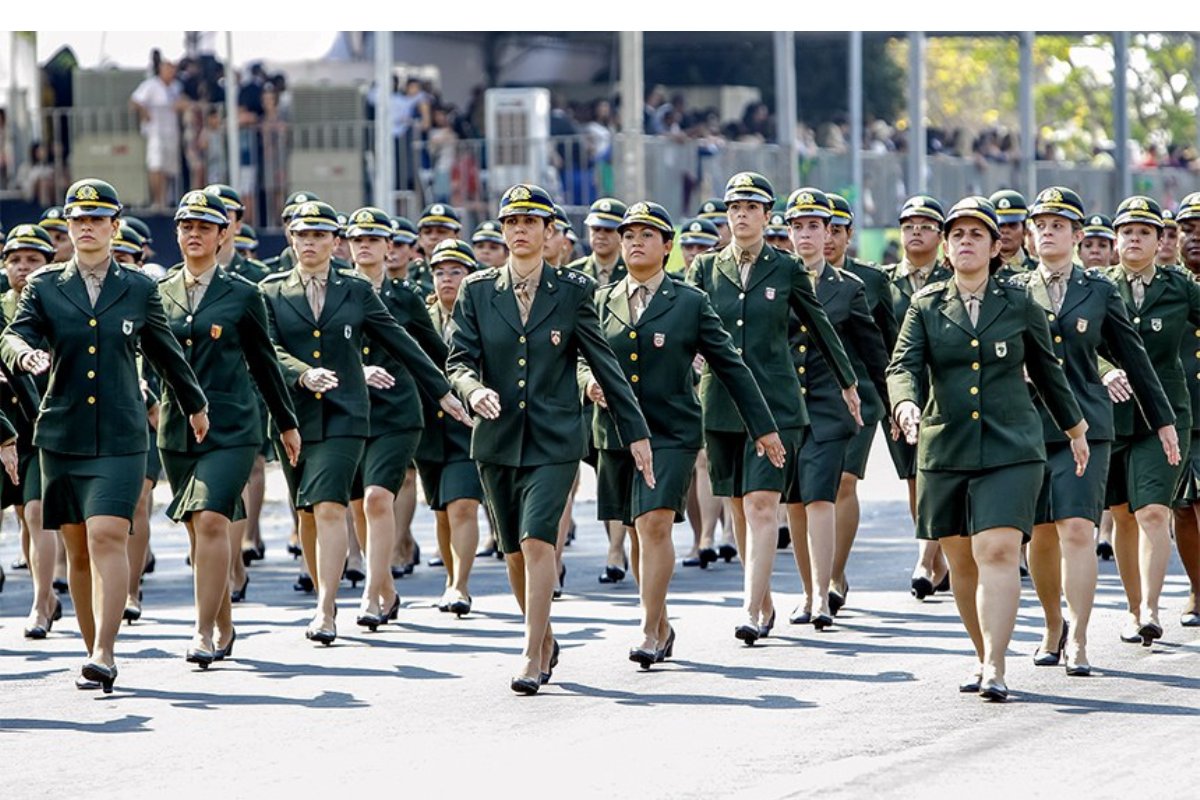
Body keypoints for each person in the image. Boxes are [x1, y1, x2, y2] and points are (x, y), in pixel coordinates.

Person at [0, 178, 210, 694]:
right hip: (62, 433)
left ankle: (105, 651)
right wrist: (23, 356)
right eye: (78, 220)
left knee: (105, 534)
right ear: (68, 230)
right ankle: (93, 646)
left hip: (121, 431)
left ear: (115, 228)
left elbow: (163, 350)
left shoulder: (138, 288)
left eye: (97, 219)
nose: (87, 227)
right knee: (75, 548)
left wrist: (193, 402)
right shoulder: (46, 285)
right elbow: (13, 332)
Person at [446, 183, 652, 694]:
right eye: (511, 222)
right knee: (514, 551)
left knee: (539, 540)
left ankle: (529, 655)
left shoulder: (573, 291)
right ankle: (545, 637)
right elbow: (459, 361)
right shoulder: (476, 291)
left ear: (549, 233)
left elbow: (602, 362)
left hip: (556, 439)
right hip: (496, 439)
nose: (519, 231)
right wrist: (472, 392)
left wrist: (635, 434)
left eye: (530, 223)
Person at [887, 195, 1088, 702]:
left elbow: (1047, 371)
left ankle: (997, 665)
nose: (966, 242)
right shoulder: (925, 304)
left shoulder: (1019, 302)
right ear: (947, 247)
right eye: (957, 235)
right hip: (945, 446)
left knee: (995, 548)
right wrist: (906, 404)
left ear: (997, 245)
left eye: (977, 234)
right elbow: (902, 366)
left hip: (1011, 445)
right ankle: (982, 654)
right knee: (960, 560)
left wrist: (1075, 430)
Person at [259, 200, 468, 644]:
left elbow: (404, 341)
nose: (310, 243)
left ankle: (327, 608)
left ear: (334, 243)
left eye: (320, 235)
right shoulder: (273, 290)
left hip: (350, 415)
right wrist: (301, 373)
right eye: (302, 235)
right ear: (291, 241)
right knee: (309, 515)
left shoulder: (355, 290)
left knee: (336, 505)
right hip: (296, 415)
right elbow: (266, 349)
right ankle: (368, 590)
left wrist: (446, 391)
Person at [585, 200, 783, 667]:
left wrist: (763, 428)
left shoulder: (689, 301)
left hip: (670, 431)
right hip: (615, 432)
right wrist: (586, 380)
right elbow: (579, 355)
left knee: (654, 522)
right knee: (636, 530)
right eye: (628, 234)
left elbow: (731, 367)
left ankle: (647, 630)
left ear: (667, 246)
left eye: (646, 235)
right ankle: (661, 622)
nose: (634, 242)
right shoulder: (600, 298)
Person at [688, 172, 859, 645]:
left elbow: (820, 326)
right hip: (721, 404)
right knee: (740, 508)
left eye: (751, 208)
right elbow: (684, 324)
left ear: (767, 217)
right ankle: (761, 598)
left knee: (764, 504)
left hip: (777, 405)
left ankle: (748, 608)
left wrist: (848, 382)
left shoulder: (785, 269)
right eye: (734, 208)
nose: (741, 215)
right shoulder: (705, 270)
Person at [1016, 187, 1174, 676]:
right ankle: (1051, 626)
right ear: (1028, 236)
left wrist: (1162, 419)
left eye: (1058, 225)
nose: (1048, 232)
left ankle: (1081, 639)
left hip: (1088, 425)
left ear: (1078, 236)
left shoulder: (1099, 290)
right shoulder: (1014, 289)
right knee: (1039, 535)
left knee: (1078, 530)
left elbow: (1134, 357)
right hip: (1028, 425)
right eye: (1040, 225)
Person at [158, 189, 301, 667]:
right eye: (186, 227)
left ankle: (201, 632)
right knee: (197, 532)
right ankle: (222, 621)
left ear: (224, 236)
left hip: (233, 428)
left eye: (204, 227)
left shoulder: (243, 294)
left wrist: (286, 424)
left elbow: (265, 365)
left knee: (213, 519)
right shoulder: (158, 293)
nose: (194, 235)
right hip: (177, 430)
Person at [341, 207, 451, 628]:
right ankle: (384, 584)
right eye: (357, 238)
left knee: (376, 498)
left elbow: (431, 352)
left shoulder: (405, 298)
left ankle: (372, 592)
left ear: (391, 247)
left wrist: (460, 389)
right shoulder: (336, 292)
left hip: (397, 410)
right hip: (348, 410)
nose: (365, 245)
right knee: (356, 505)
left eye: (373, 239)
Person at [1102, 195, 1200, 647]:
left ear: (1162, 241)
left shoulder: (1180, 288)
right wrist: (1105, 371)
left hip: (1166, 416)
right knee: (1122, 515)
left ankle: (1150, 609)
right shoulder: (1096, 287)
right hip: (1113, 417)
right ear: (1115, 240)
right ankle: (1131, 603)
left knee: (1155, 511)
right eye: (1127, 232)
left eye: (1144, 232)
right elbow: (1077, 343)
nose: (1134, 240)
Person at [816, 192, 897, 619]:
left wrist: (896, 403)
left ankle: (834, 575)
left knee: (844, 482)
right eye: (818, 227)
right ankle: (816, 580)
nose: (827, 237)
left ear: (850, 236)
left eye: (836, 230)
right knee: (814, 491)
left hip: (858, 398)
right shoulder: (794, 277)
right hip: (807, 397)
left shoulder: (869, 281)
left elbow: (884, 348)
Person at [883, 195, 953, 600]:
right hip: (903, 392)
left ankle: (926, 560)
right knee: (914, 477)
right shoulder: (883, 281)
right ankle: (935, 556)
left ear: (940, 236)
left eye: (926, 226)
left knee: (936, 473)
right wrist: (893, 398)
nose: (916, 232)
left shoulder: (953, 276)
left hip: (945, 389)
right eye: (909, 225)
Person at [416, 239, 488, 614]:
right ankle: (449, 577)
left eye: (456, 272)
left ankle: (461, 584)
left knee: (463, 505)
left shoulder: (483, 316)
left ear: (470, 276)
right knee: (442, 510)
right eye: (440, 272)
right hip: (429, 429)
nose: (447, 279)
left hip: (469, 426)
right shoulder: (421, 318)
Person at [1, 225, 57, 639]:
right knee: (17, 518)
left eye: (32, 260)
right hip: (3, 425)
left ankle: (42, 601)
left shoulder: (56, 306)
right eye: (15, 260)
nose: (23, 268)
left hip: (43, 427)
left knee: (35, 513)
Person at [1173, 191, 1200, 628]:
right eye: (1187, 230)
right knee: (1180, 507)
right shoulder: (1167, 286)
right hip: (1177, 413)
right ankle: (1196, 586)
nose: (1194, 237)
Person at [129, 55, 187, 210]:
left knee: (169, 167)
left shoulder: (176, 87)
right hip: (155, 132)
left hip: (171, 132)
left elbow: (183, 101)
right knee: (156, 165)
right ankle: (157, 200)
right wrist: (144, 112)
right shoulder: (151, 85)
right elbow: (134, 101)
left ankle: (166, 199)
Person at [568, 198, 628, 285]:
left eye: (608, 230)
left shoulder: (632, 272)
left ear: (622, 234)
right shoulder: (573, 272)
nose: (601, 236)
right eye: (596, 229)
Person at [988, 189, 1037, 275]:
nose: (1005, 231)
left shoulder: (1038, 271)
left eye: (1012, 225)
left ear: (1024, 230)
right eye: (1000, 225)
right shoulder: (980, 270)